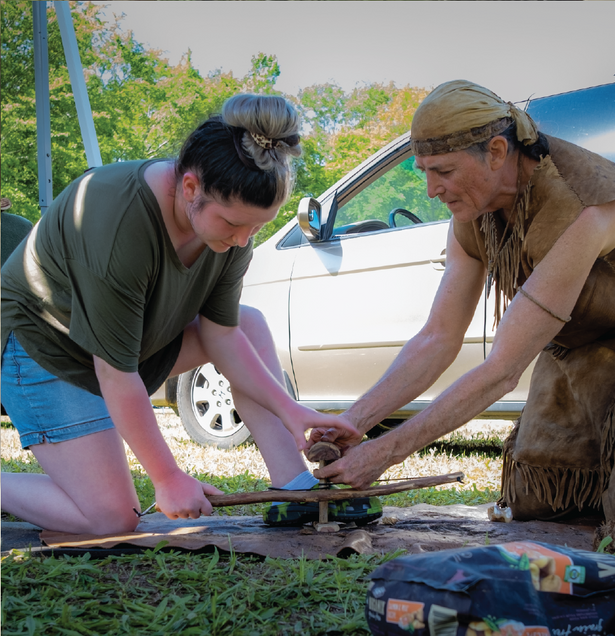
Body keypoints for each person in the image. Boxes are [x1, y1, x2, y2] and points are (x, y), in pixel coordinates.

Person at [309, 80, 615, 542]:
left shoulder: (588, 204)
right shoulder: (470, 216)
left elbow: (502, 370)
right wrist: (354, 424)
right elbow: (438, 337)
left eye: (445, 171)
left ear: (497, 151)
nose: (433, 190)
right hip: (575, 357)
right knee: (536, 501)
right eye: (424, 172)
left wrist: (387, 451)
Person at [1, 93, 381, 535]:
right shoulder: (116, 220)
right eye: (233, 224)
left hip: (127, 346)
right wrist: (167, 478)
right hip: (43, 349)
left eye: (256, 227)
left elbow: (223, 336)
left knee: (249, 322)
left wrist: (291, 410)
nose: (243, 240)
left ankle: (294, 488)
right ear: (189, 188)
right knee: (111, 518)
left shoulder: (232, 230)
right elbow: (115, 373)